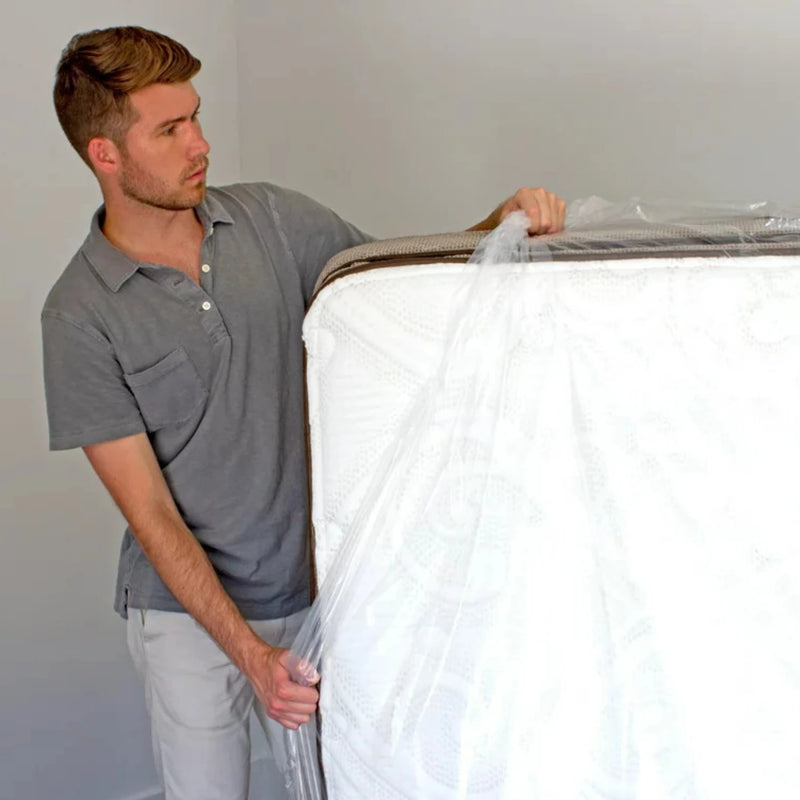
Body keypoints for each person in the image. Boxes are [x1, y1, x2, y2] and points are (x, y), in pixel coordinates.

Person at [41, 25, 566, 800]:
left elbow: (401, 292)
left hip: (322, 595)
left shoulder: (272, 222)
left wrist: (504, 223)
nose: (201, 144)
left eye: (196, 116)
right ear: (105, 155)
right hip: (187, 621)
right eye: (170, 129)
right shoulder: (77, 316)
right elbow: (151, 513)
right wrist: (249, 655)